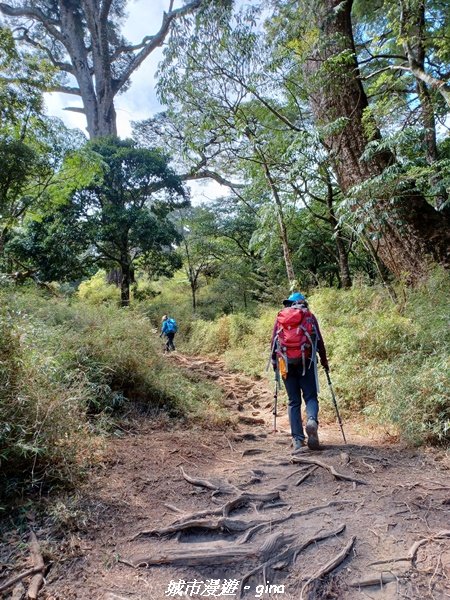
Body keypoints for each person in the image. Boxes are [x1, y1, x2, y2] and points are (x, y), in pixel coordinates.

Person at [270, 292, 329, 452]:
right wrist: (324, 360)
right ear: (303, 303)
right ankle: (311, 421)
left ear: (290, 304)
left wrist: (275, 365)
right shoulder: (309, 317)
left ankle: (297, 440)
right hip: (307, 362)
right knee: (310, 397)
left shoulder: (281, 318)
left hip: (286, 364)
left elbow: (274, 342)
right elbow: (319, 340)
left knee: (293, 401)